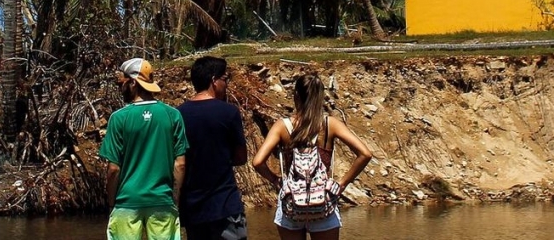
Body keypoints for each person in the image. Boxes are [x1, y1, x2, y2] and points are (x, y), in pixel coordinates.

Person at [251, 73, 374, 240]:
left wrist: (275, 180)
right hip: (323, 202)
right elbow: (365, 154)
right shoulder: (330, 124)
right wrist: (342, 184)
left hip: (291, 204)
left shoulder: (282, 126)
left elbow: (258, 162)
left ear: (296, 96)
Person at [100, 57, 189, 240]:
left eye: (122, 82)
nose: (120, 87)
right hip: (162, 201)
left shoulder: (118, 118)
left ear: (133, 83)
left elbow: (113, 169)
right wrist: (175, 200)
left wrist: (111, 203)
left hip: (127, 202)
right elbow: (180, 165)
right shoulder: (173, 115)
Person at [179, 56, 248, 240]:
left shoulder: (178, 114)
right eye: (225, 79)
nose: (226, 85)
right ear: (213, 80)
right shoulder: (229, 112)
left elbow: (178, 161)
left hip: (193, 210)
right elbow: (241, 157)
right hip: (224, 205)